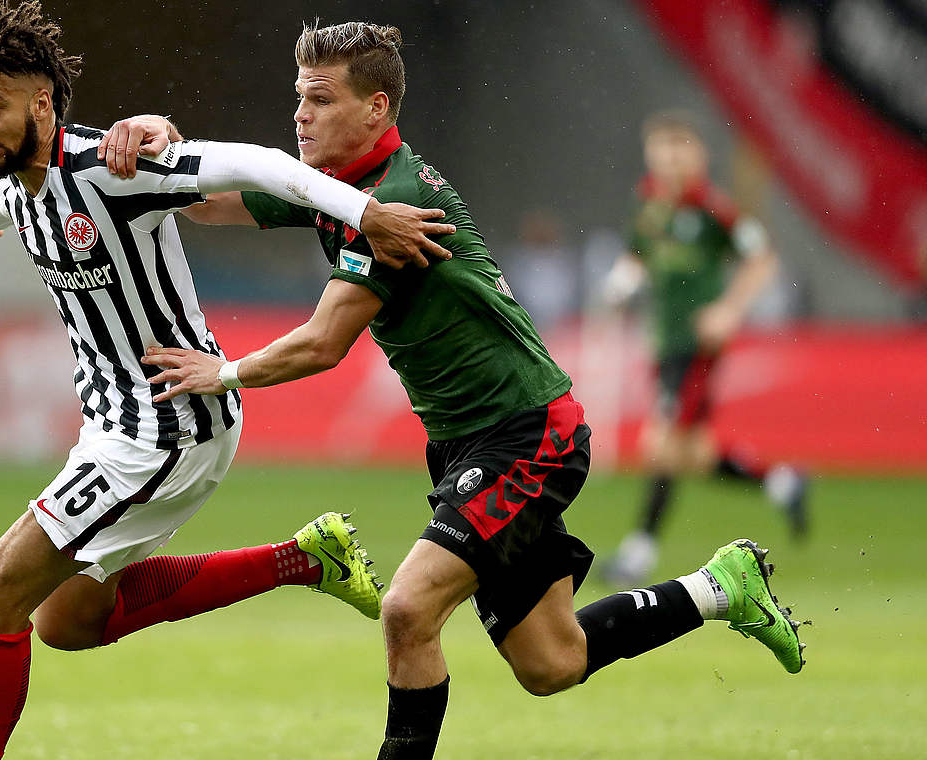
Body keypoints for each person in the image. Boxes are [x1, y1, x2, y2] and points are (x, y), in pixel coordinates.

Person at [123, 22, 806, 759]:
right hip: (464, 442)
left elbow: (324, 342)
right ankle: (719, 586)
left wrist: (220, 372)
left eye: (320, 99)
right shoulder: (337, 190)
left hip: (527, 432)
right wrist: (164, 138)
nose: (300, 114)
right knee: (552, 663)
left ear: (377, 108)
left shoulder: (396, 202)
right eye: (299, 97)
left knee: (407, 611)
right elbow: (204, 204)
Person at [0, 3, 458, 758]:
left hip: (168, 423)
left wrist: (364, 212)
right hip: (117, 426)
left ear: (41, 102)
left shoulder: (112, 169)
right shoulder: (18, 191)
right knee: (66, 622)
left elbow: (259, 165)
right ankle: (304, 558)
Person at [599, 110, 809, 588]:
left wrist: (729, 310)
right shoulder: (650, 204)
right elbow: (638, 254)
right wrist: (623, 281)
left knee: (662, 443)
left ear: (697, 154)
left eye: (679, 148)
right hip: (664, 341)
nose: (670, 160)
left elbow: (762, 259)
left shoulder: (714, 209)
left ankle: (638, 552)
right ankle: (782, 483)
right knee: (693, 454)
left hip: (696, 346)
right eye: (661, 149)